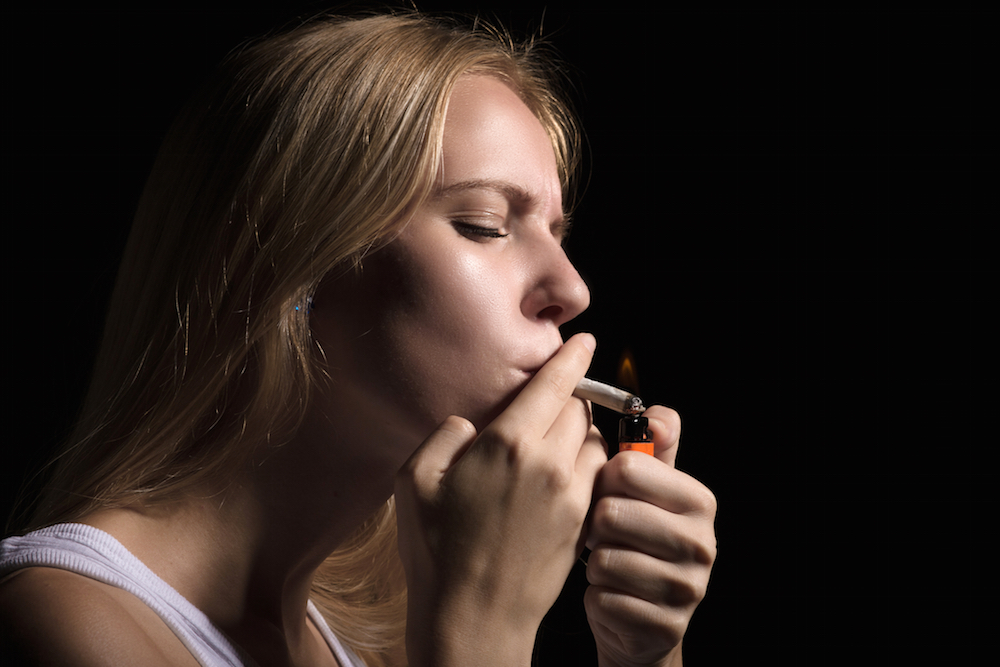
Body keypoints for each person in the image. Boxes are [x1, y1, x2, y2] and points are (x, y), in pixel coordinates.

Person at [0, 11, 716, 667]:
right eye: (485, 224)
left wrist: (641, 654)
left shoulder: (365, 639)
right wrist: (478, 639)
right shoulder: (67, 622)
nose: (573, 290)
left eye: (556, 234)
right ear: (287, 266)